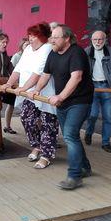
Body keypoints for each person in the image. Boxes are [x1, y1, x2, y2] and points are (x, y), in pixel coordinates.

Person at [32, 24, 94, 190]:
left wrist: (60, 96)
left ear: (67, 39)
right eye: (51, 37)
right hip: (63, 103)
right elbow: (46, 75)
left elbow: (77, 77)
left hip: (80, 101)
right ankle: (85, 167)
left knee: (69, 135)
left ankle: (74, 176)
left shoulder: (76, 52)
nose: (52, 40)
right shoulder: (53, 54)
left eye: (55, 37)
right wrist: (36, 90)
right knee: (71, 136)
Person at [2, 23, 58, 169]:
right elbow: (18, 69)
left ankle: (46, 155)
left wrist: (22, 88)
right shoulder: (27, 49)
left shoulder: (47, 49)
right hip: (28, 94)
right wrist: (8, 84)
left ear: (42, 37)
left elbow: (37, 74)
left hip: (45, 93)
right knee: (26, 118)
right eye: (30, 35)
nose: (30, 38)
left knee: (48, 124)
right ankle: (37, 145)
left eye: (34, 35)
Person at [84, 30, 111, 153]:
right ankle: (89, 133)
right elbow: (80, 68)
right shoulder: (87, 52)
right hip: (92, 87)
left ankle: (105, 142)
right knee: (93, 115)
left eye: (100, 39)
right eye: (95, 39)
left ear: (105, 40)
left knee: (107, 117)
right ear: (91, 40)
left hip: (108, 87)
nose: (98, 42)